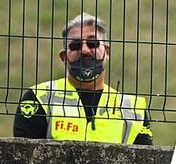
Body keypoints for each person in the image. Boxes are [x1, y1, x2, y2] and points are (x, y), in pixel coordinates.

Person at [13, 12, 152, 144]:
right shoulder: (38, 98)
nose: (85, 50)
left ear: (107, 51)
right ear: (64, 57)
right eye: (75, 45)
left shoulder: (133, 109)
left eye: (93, 43)